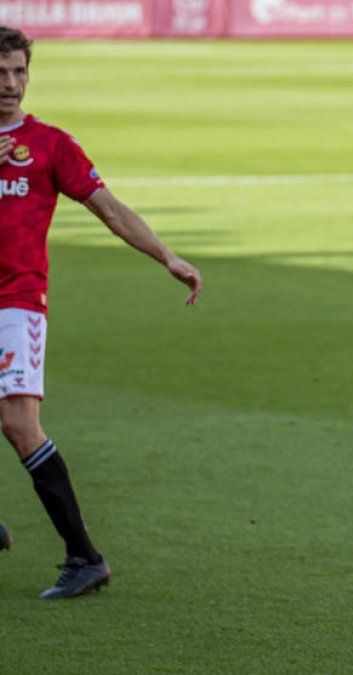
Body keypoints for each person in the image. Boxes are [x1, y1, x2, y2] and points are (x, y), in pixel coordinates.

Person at [0, 26, 202, 599]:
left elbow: (109, 209)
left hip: (16, 302)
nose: (11, 85)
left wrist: (167, 255)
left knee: (18, 425)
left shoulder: (49, 145)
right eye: (1, 74)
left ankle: (85, 558)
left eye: (19, 72)